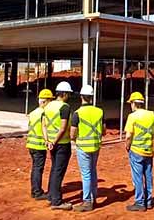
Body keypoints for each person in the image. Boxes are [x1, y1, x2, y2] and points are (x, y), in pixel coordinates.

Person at [69, 84, 104, 212]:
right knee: (93, 171)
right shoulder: (99, 112)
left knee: (86, 174)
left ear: (81, 97)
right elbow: (104, 130)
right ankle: (93, 197)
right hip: (96, 145)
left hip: (83, 147)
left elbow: (72, 133)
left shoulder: (77, 113)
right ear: (91, 97)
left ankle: (87, 201)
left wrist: (75, 139)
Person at [123, 91, 154, 212]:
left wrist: (127, 146)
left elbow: (128, 136)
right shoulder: (152, 116)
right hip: (149, 150)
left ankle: (139, 202)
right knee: (148, 175)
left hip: (136, 150)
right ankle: (148, 202)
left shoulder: (132, 117)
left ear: (133, 104)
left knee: (137, 177)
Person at [44, 81, 74, 211]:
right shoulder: (65, 107)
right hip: (61, 144)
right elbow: (62, 128)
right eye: (69, 94)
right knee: (58, 171)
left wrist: (48, 141)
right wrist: (55, 142)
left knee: (54, 169)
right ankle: (56, 200)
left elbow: (44, 125)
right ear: (65, 94)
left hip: (51, 143)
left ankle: (51, 195)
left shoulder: (48, 106)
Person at [26, 88, 54, 200]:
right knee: (38, 168)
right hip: (39, 145)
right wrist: (48, 141)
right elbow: (45, 128)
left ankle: (35, 190)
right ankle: (37, 192)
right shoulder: (44, 113)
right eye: (50, 101)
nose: (50, 103)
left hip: (31, 144)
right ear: (45, 101)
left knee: (35, 168)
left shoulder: (33, 113)